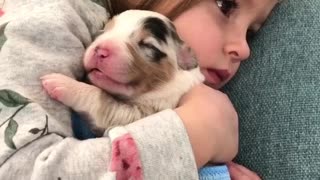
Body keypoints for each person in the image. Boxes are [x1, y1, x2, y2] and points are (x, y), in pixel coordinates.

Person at [0, 0, 278, 179]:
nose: (244, 48)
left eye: (252, 32)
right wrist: (194, 137)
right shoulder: (50, 13)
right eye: (225, 4)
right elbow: (20, 169)